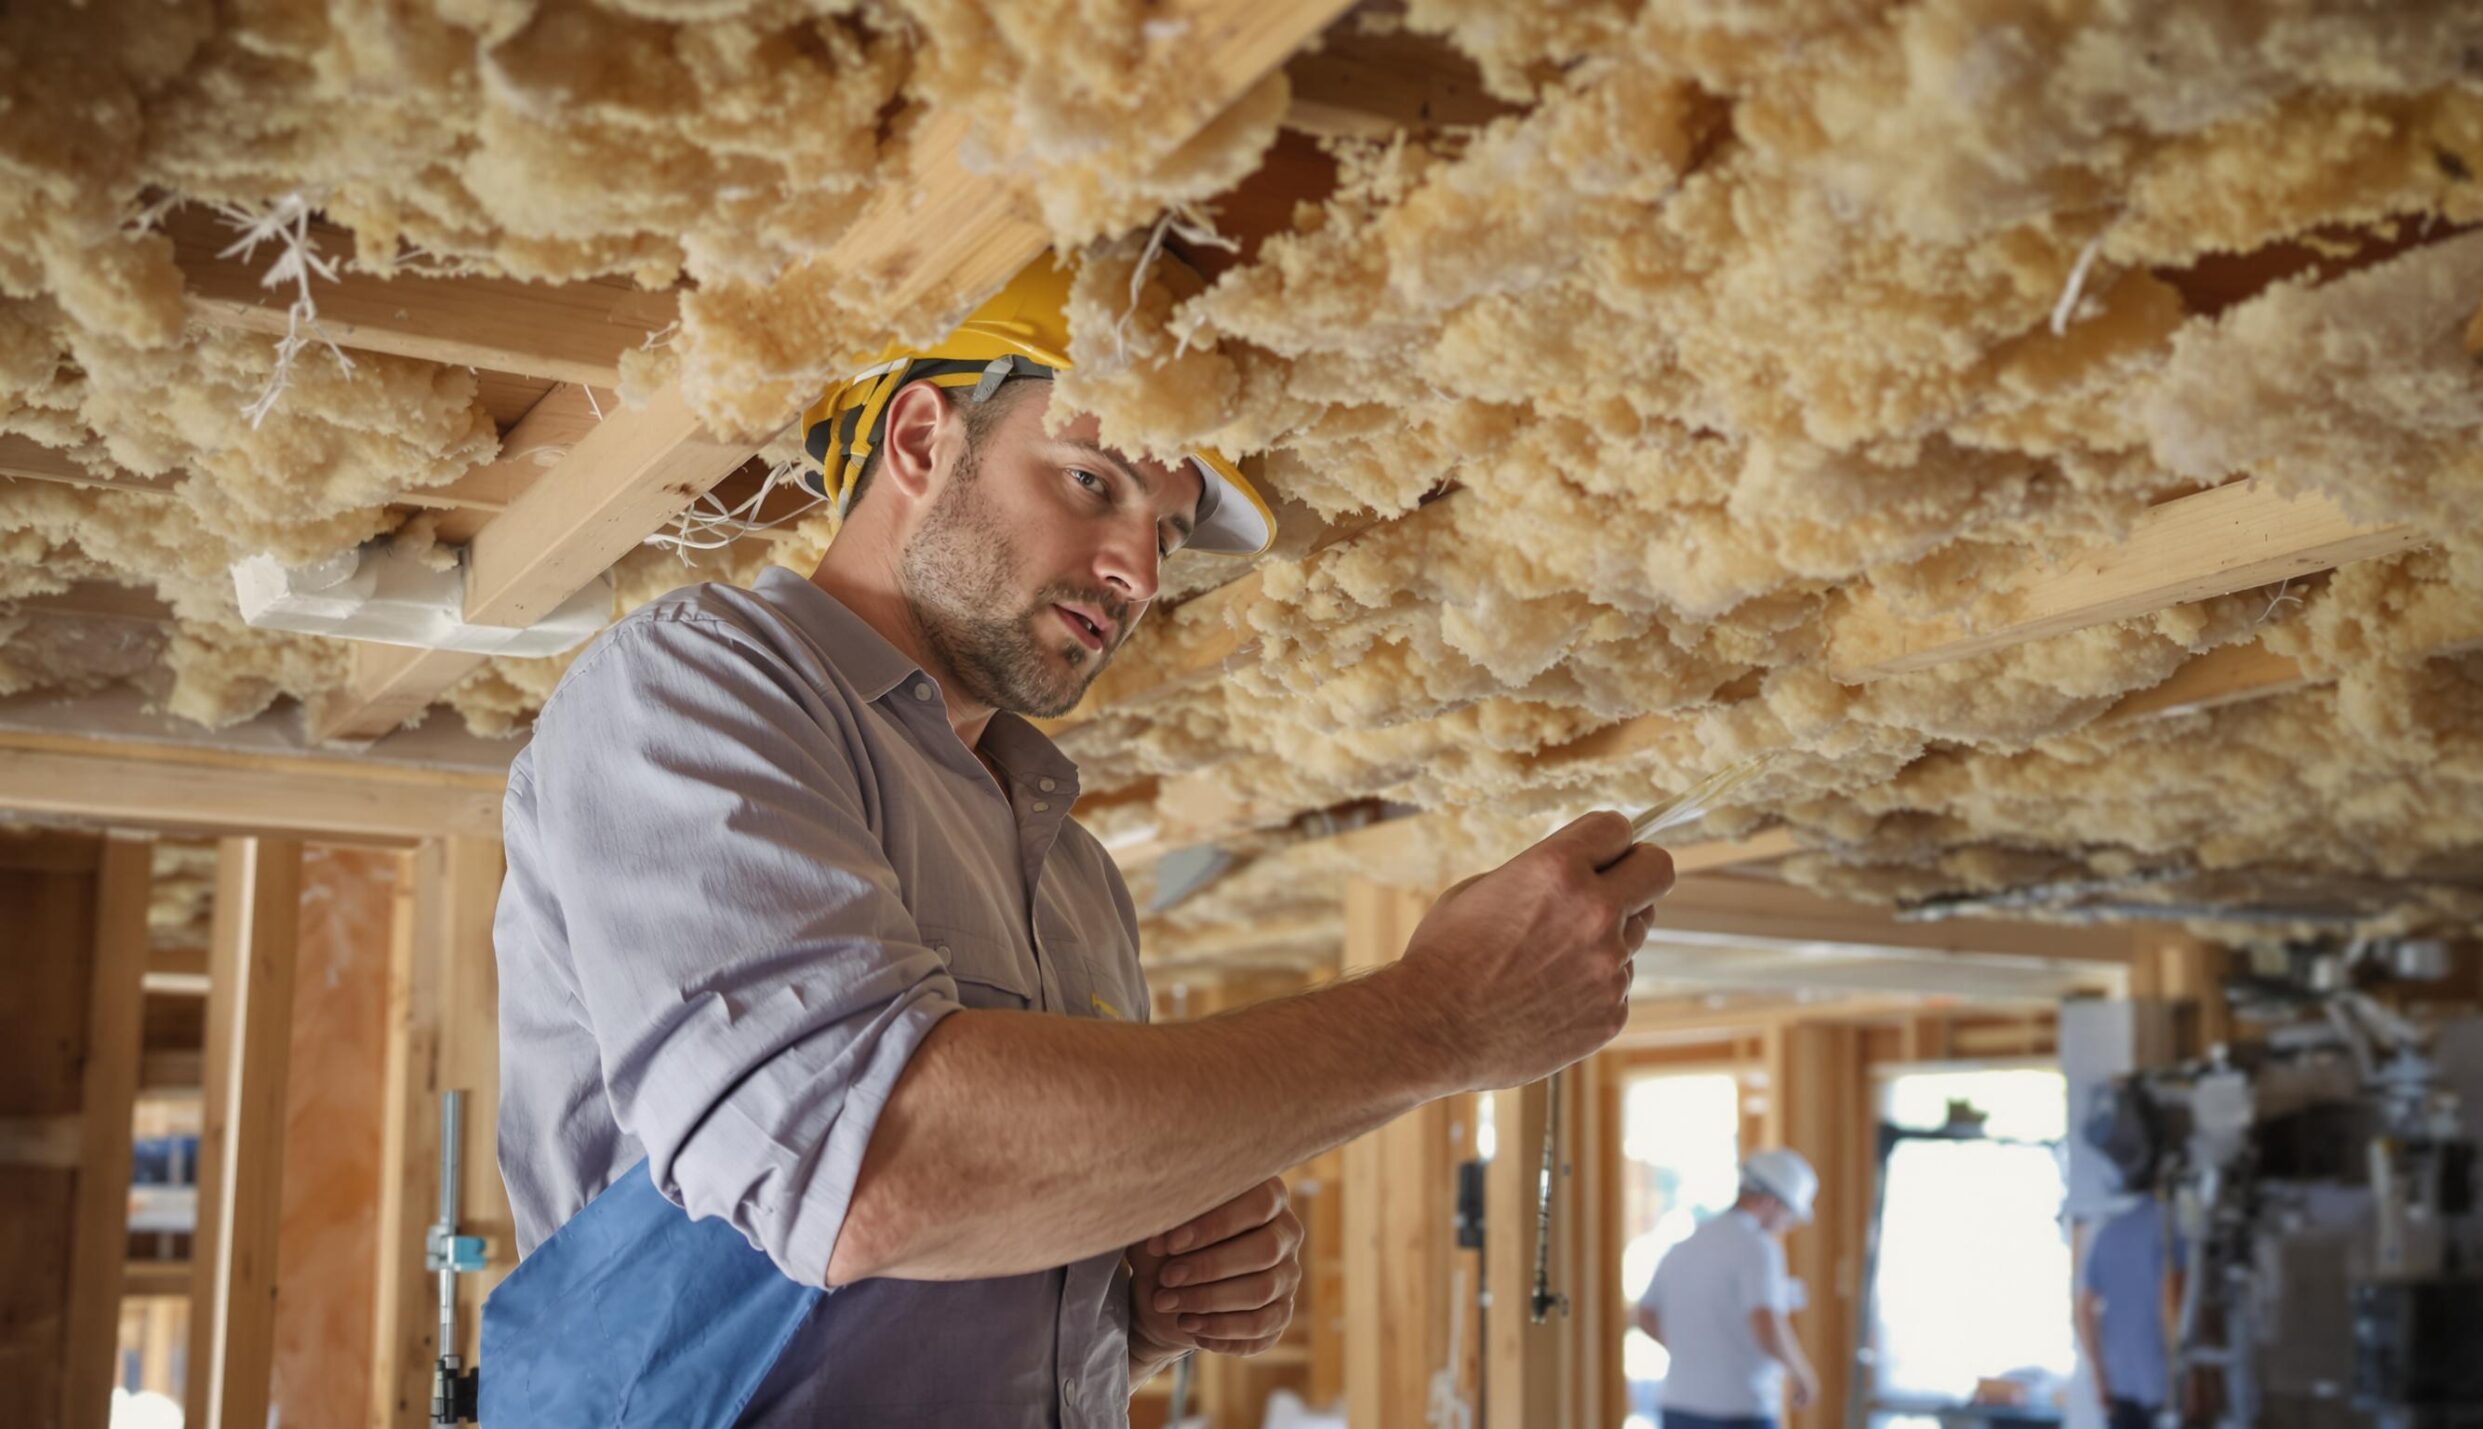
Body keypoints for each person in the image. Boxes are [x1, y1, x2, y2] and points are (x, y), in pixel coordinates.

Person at [475, 254, 1680, 1427]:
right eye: (1096, 481)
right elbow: (869, 1181)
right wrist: (1441, 1016)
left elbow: (974, 1263)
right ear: (917, 442)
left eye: (1166, 528)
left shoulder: (1077, 880)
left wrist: (1141, 1309)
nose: (1139, 569)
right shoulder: (692, 685)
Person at [1635, 1148, 1823, 1429]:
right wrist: (1801, 1373)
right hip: (1739, 1409)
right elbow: (1765, 1322)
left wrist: (1693, 1353)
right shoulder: (1758, 1248)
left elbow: (1645, 1315)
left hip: (1677, 1405)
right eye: (1789, 1215)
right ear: (1771, 1202)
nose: (1787, 1225)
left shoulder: (1688, 1242)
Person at [2074, 1196, 2183, 1429]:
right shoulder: (2171, 1229)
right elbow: (2177, 1302)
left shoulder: (2108, 1233)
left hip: (2120, 1380)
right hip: (2165, 1381)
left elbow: (2083, 1309)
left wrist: (2099, 1377)